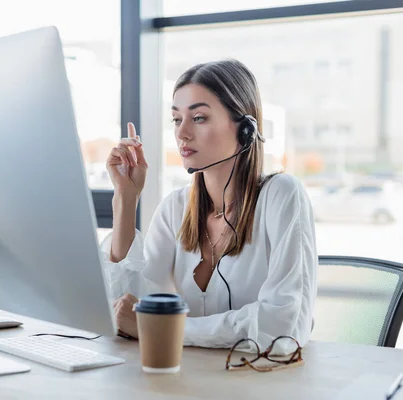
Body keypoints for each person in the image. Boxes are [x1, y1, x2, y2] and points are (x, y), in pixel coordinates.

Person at [100, 59, 317, 351]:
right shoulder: (175, 208)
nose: (182, 133)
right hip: (187, 380)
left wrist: (164, 328)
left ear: (245, 129)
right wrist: (126, 199)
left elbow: (282, 327)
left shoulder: (281, 196)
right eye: (177, 119)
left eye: (199, 118)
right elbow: (125, 310)